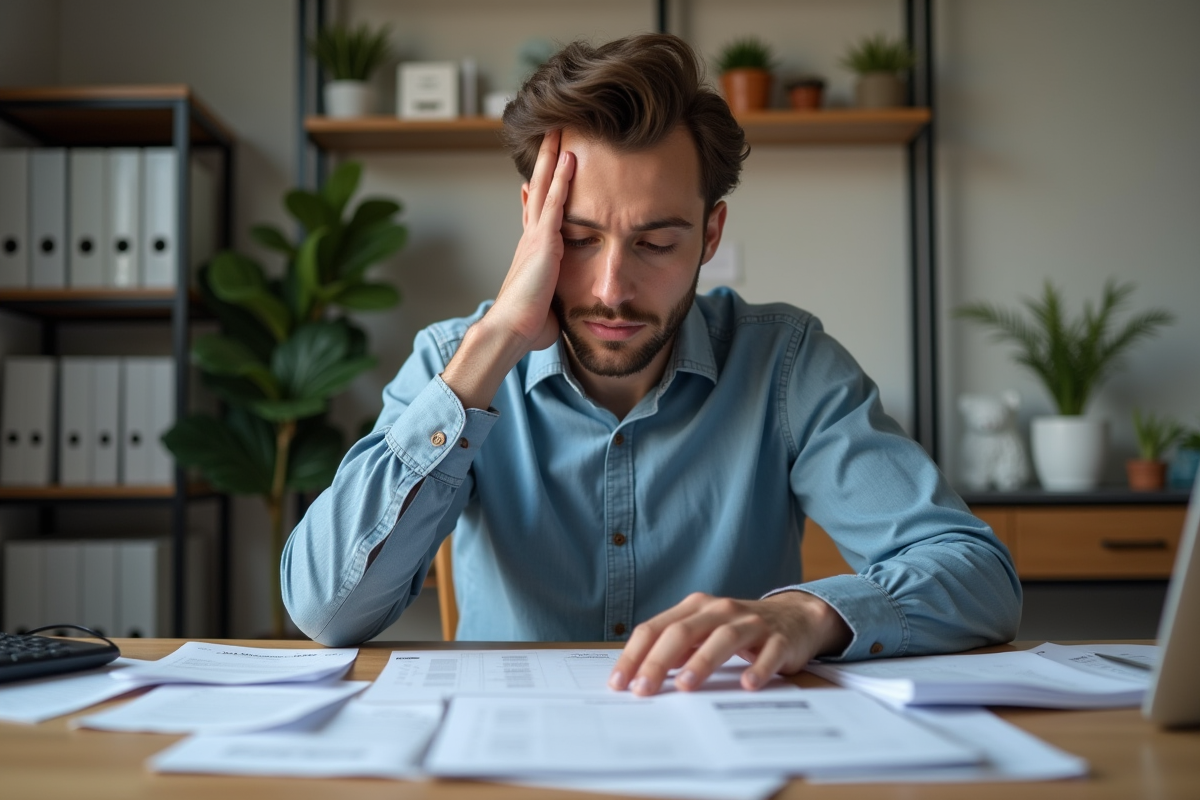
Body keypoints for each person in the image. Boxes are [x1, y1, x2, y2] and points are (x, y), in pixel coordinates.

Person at [282, 33, 1021, 697]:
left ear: (709, 234)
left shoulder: (787, 366)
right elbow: (325, 609)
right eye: (576, 239)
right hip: (514, 756)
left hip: (730, 747)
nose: (611, 289)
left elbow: (978, 576)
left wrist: (806, 615)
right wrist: (495, 342)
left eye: (657, 243)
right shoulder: (456, 362)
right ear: (533, 226)